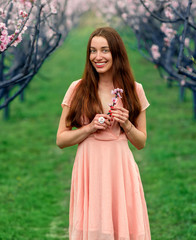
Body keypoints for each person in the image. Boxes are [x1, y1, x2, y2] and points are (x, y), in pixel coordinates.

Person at [56, 27, 151, 240]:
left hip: (119, 169)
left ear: (116, 53)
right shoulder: (78, 88)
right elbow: (61, 139)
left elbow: (141, 142)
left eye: (105, 50)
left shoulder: (135, 90)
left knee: (121, 227)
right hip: (89, 167)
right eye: (92, 51)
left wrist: (126, 123)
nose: (97, 57)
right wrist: (89, 128)